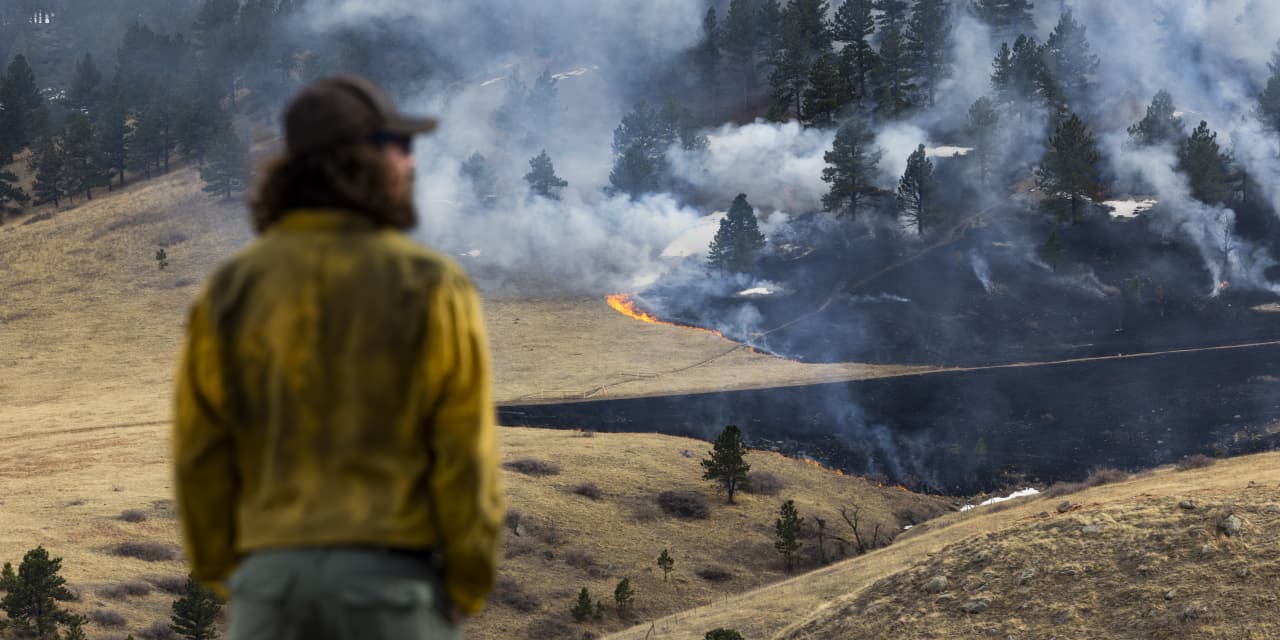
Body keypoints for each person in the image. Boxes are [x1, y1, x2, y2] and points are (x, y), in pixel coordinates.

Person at [172, 74, 503, 639]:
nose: (412, 164)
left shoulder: (232, 288)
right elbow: (463, 450)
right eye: (400, 147)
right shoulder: (429, 284)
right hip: (391, 588)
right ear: (360, 159)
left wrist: (238, 576)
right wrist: (466, 584)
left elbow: (200, 451)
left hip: (269, 591)